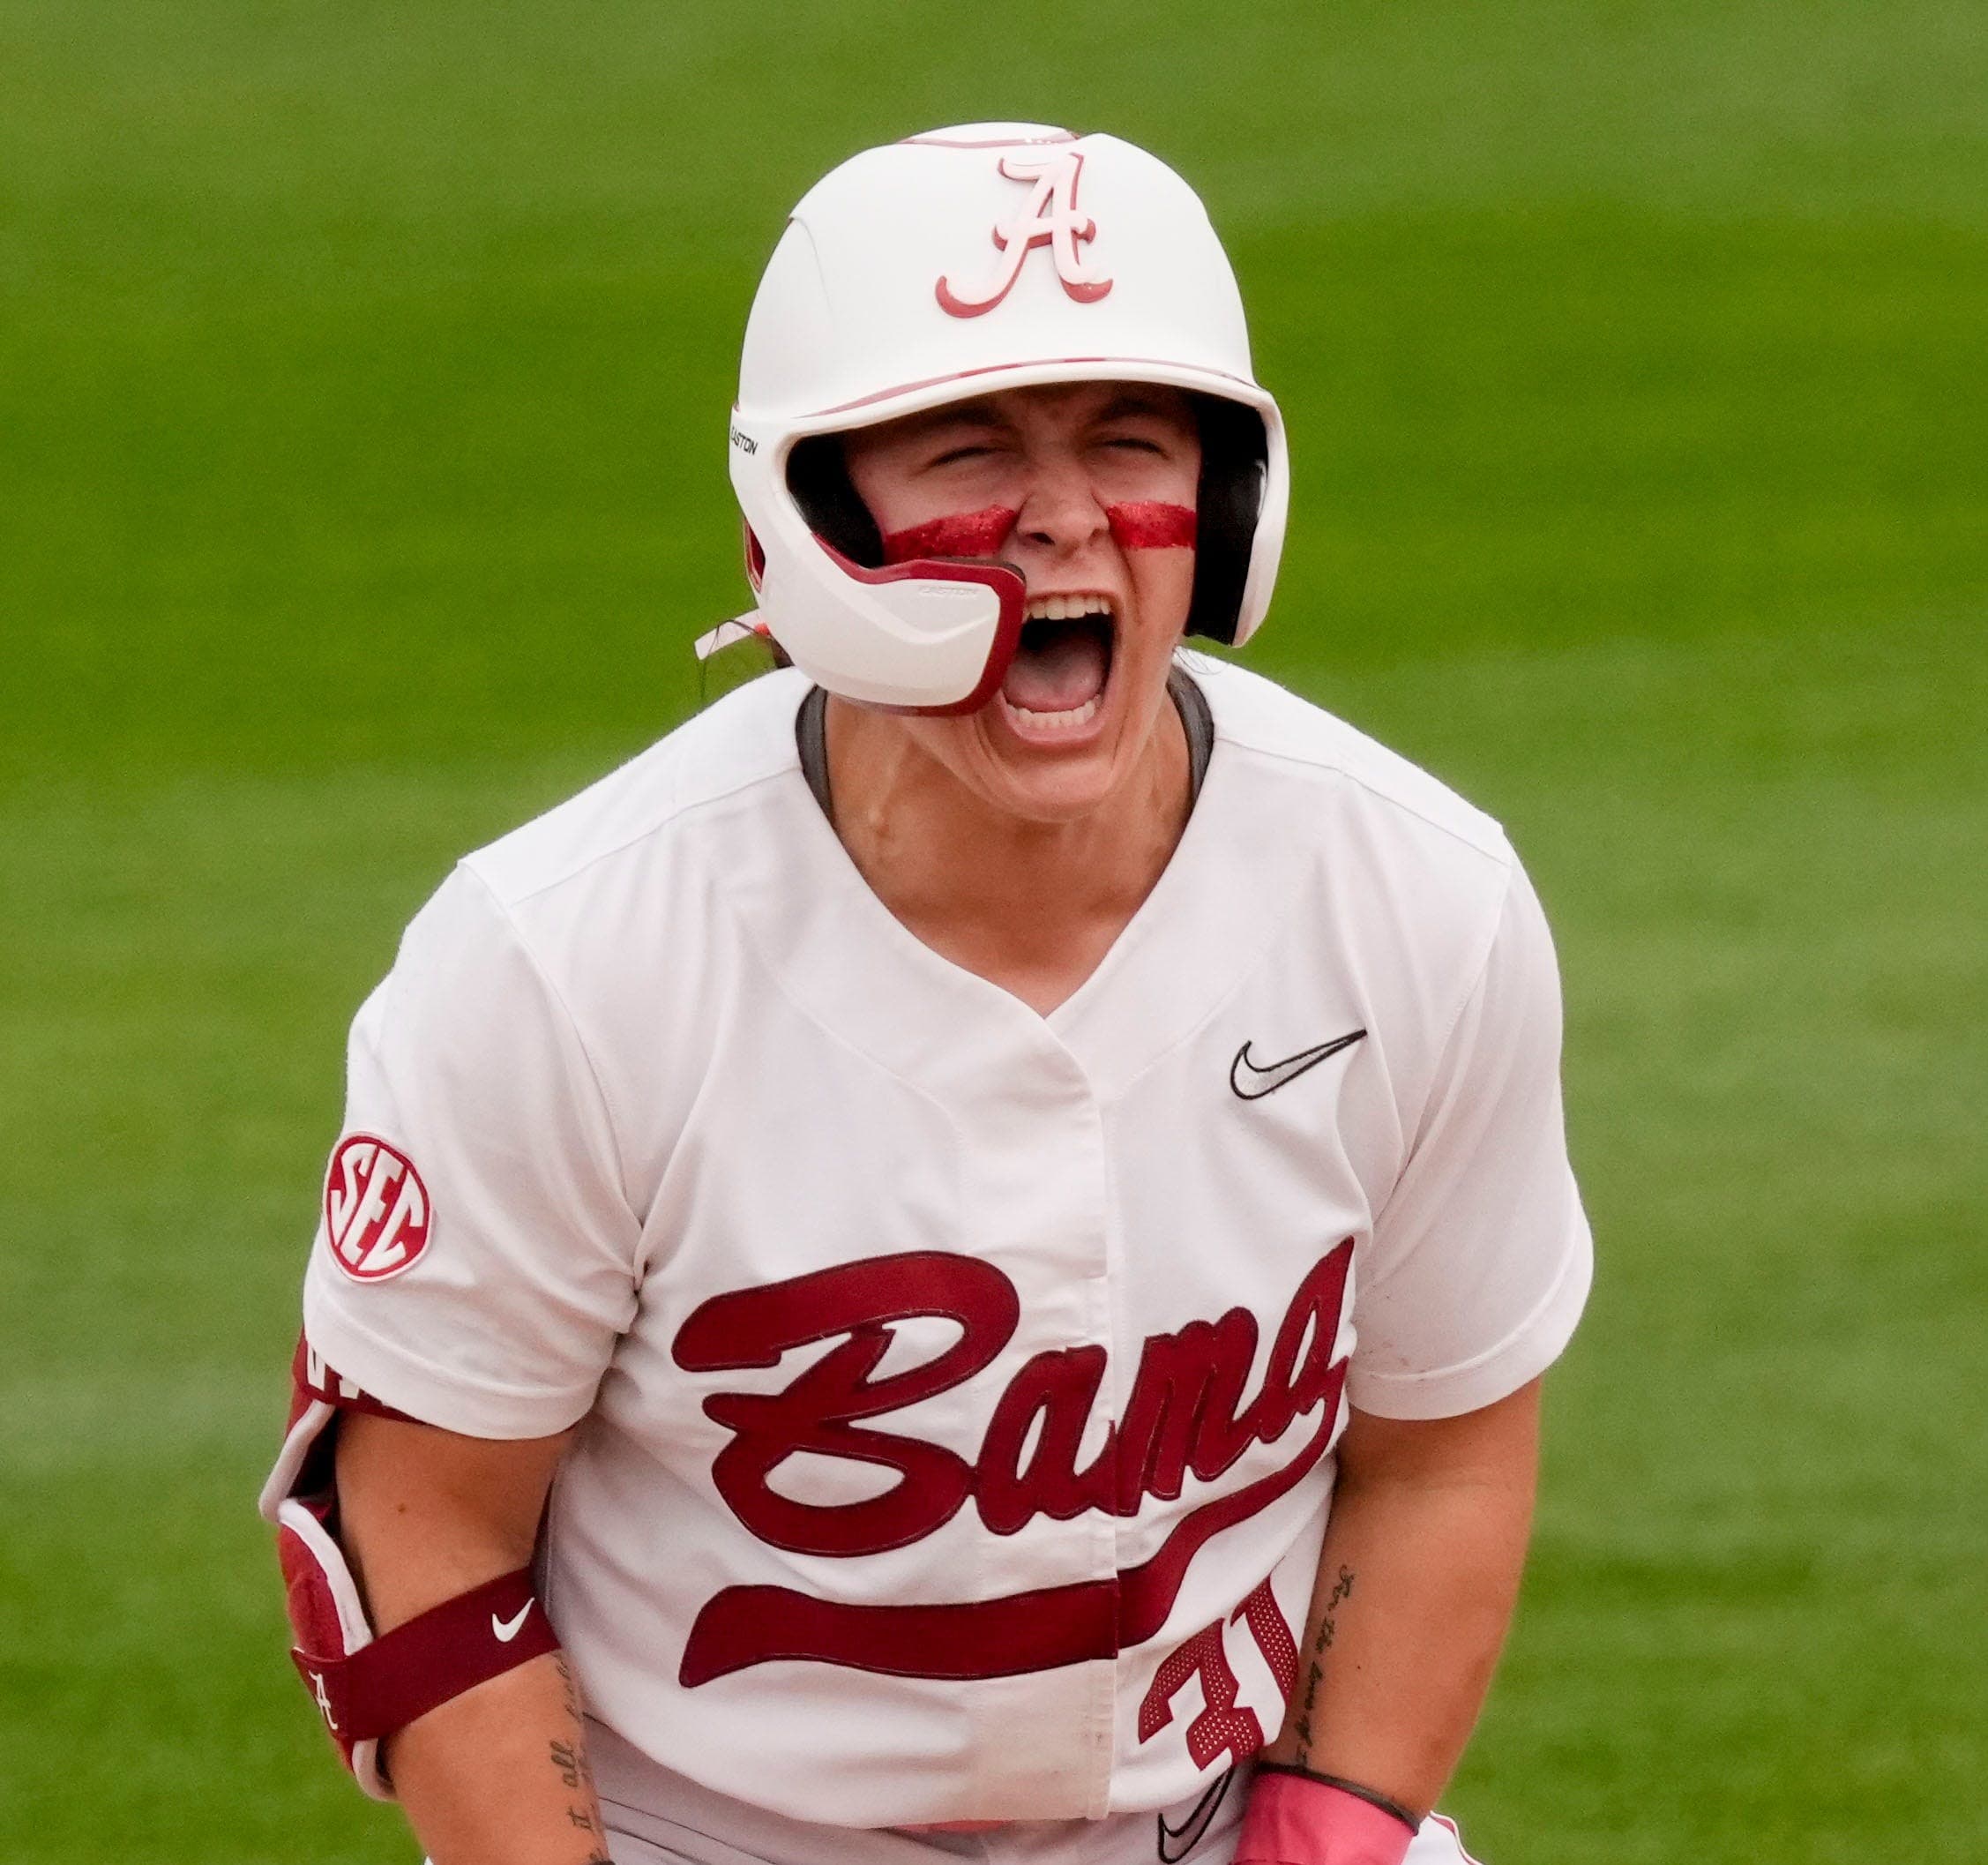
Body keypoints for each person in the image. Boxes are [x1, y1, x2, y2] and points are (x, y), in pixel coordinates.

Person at [262, 124, 1592, 1865]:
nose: (1060, 517)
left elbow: (1441, 1452)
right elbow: (422, 1536)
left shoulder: (1413, 896)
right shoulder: (563, 960)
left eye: (1130, 440)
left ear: (1228, 503)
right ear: (804, 521)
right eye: (967, 448)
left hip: (1210, 1827)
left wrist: (1329, 1828)